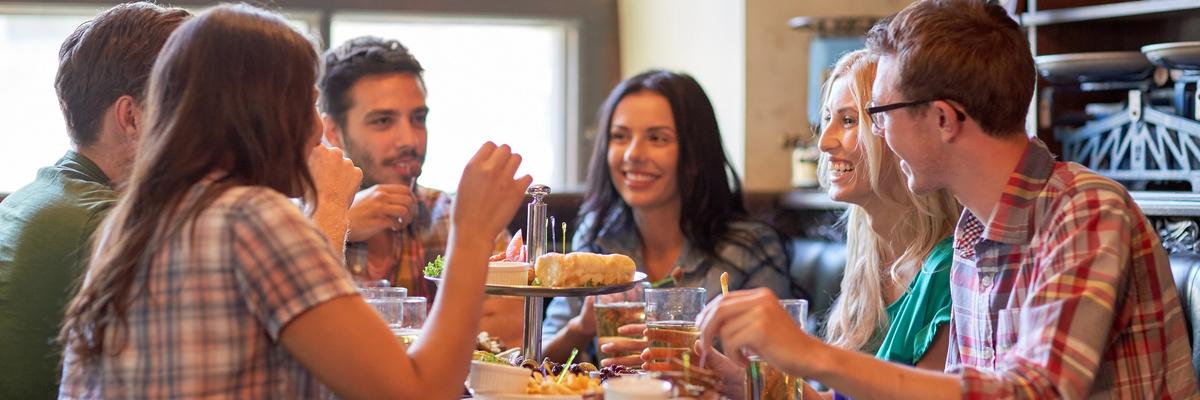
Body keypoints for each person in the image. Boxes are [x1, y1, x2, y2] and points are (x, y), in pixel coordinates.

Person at [696, 1, 1199, 398]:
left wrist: (811, 355)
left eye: (880, 115)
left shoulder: (1085, 211)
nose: (879, 134)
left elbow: (1038, 393)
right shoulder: (972, 233)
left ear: (943, 119)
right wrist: (764, 388)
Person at [57, 5, 531, 399]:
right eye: (307, 103)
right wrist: (472, 233)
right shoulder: (251, 219)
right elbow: (419, 393)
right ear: (264, 115)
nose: (314, 130)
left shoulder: (134, 220)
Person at [697, 48, 962, 399]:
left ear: (901, 132)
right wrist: (742, 383)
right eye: (827, 120)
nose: (824, 142)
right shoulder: (870, 257)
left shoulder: (946, 272)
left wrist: (807, 356)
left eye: (849, 121)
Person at [542, 70, 795, 366]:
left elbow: (775, 372)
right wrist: (580, 328)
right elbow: (538, 357)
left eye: (657, 138)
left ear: (695, 154)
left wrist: (688, 361)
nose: (633, 154)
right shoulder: (597, 237)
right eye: (620, 136)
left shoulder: (749, 250)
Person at [0, 4, 189, 398]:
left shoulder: (41, 195)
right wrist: (324, 204)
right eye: (194, 110)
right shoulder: (104, 224)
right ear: (132, 118)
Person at [318, 36, 521, 345]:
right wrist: (336, 223)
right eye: (383, 121)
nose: (410, 140)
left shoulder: (458, 218)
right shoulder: (296, 221)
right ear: (332, 131)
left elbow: (503, 341)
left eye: (418, 119)